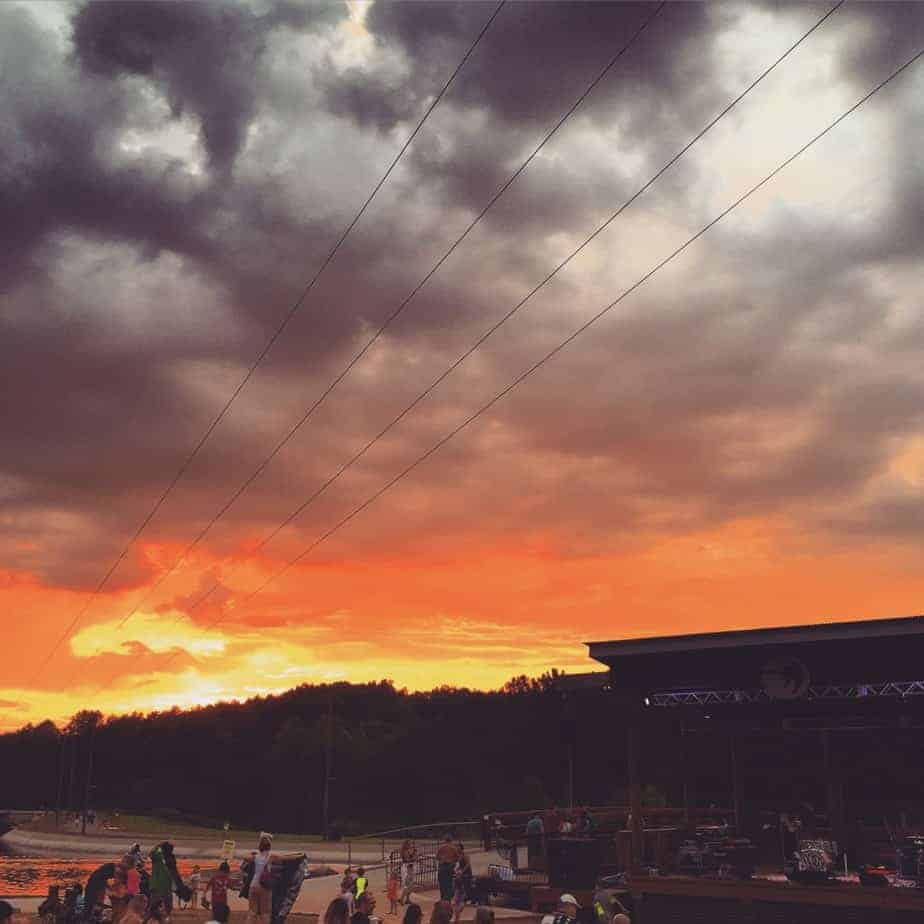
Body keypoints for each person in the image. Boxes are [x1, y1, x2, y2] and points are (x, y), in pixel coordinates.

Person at [246, 834, 274, 924]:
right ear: (269, 847)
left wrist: (253, 853)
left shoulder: (255, 857)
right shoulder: (271, 857)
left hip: (254, 885)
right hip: (265, 886)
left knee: (252, 912)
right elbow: (286, 858)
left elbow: (245, 857)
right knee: (265, 913)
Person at [436, 836, 460, 902]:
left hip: (442, 866)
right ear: (451, 841)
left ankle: (443, 897)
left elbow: (437, 857)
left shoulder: (441, 847)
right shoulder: (453, 848)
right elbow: (458, 858)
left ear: (445, 840)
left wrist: (442, 859)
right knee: (449, 883)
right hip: (449, 866)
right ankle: (447, 899)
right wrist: (453, 862)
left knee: (442, 883)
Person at [399, 840, 417, 905]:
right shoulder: (404, 851)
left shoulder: (413, 850)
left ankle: (407, 899)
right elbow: (407, 859)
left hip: (412, 868)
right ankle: (401, 898)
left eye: (411, 844)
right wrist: (413, 858)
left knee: (411, 885)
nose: (410, 845)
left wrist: (414, 855)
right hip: (406, 868)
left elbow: (415, 858)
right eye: (409, 844)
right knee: (407, 885)